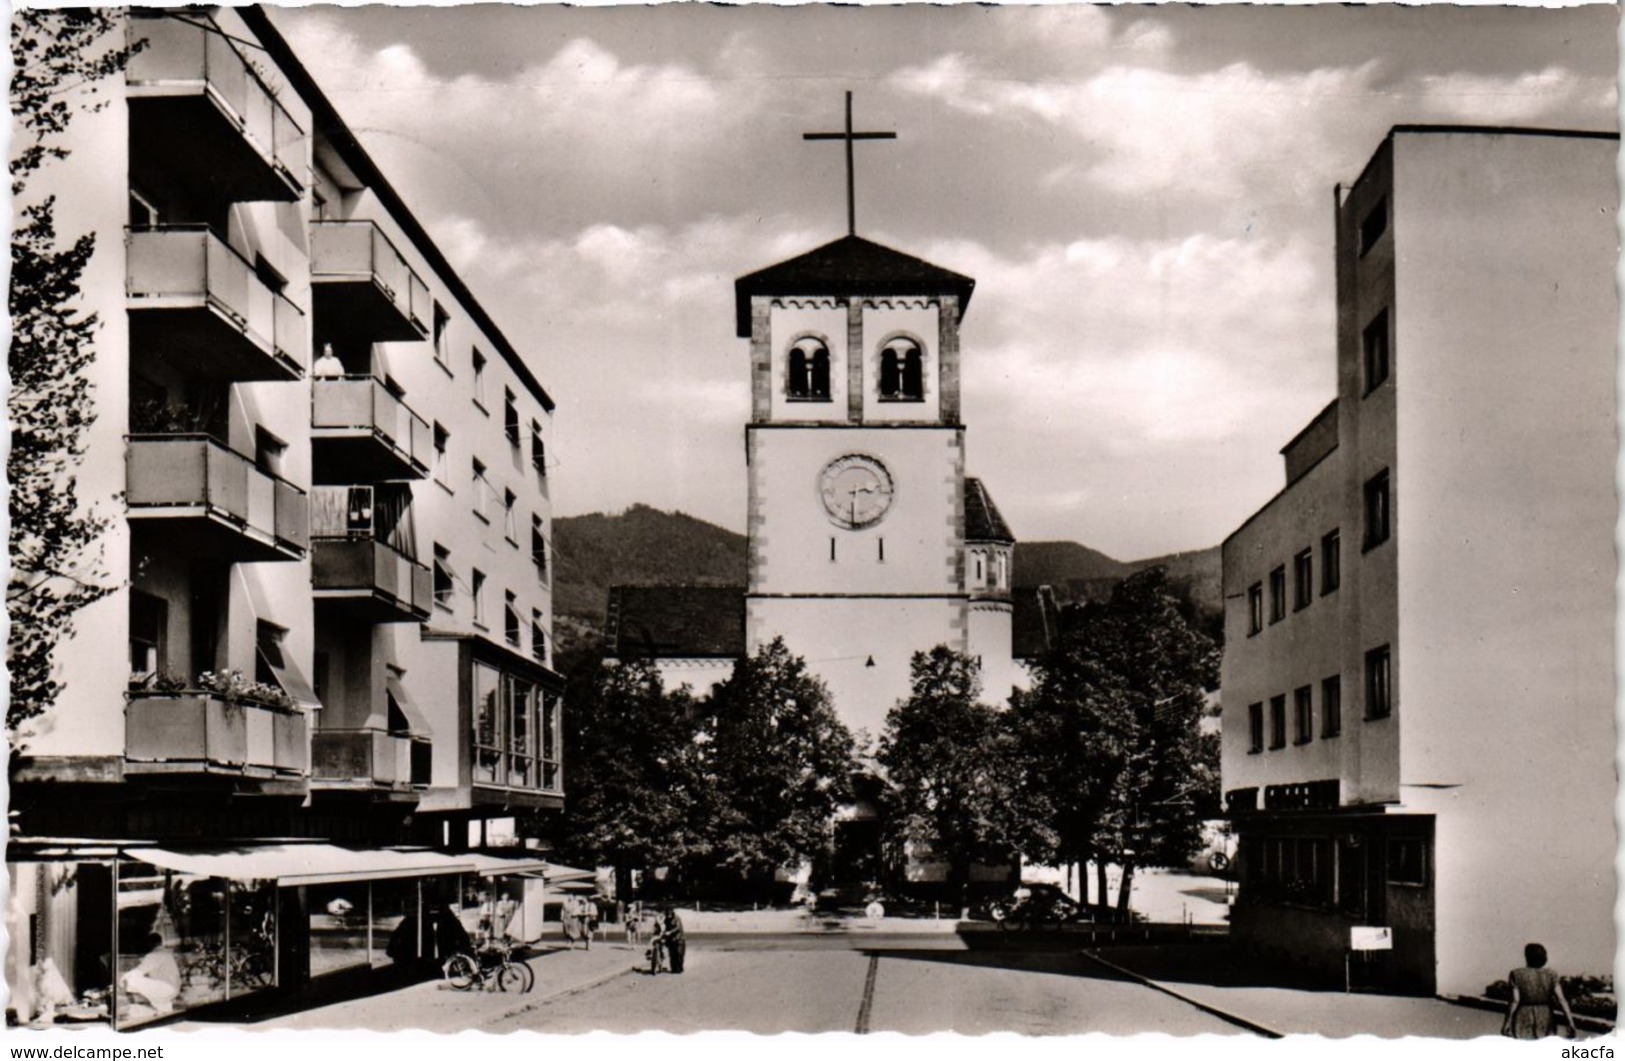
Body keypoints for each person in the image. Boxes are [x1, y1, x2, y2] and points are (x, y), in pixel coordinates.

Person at [1502, 942, 1577, 1039]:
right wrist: (1570, 1022)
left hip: (1523, 1015)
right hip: (1546, 1016)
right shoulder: (1551, 974)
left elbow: (1515, 1001)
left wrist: (1507, 1022)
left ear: (1527, 957)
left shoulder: (1516, 974)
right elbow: (1561, 999)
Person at [661, 907, 686, 974]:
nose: (668, 916)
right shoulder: (666, 919)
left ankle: (680, 968)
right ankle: (674, 969)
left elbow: (678, 927)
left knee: (679, 954)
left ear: (672, 913)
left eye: (669, 914)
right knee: (672, 955)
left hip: (679, 939)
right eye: (667, 914)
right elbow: (664, 927)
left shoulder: (677, 918)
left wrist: (670, 932)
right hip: (670, 940)